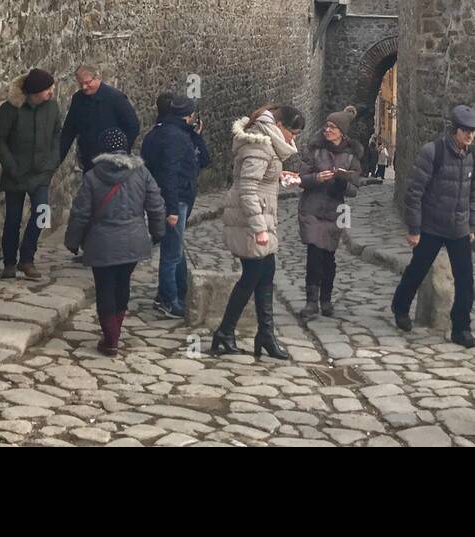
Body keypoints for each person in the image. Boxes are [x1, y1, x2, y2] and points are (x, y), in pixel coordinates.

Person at [210, 104, 304, 360]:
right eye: (293, 132)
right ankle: (225, 332)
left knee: (265, 274)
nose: (293, 138)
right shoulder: (259, 144)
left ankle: (264, 335)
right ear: (280, 126)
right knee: (252, 276)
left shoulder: (266, 143)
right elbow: (247, 190)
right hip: (252, 221)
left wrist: (278, 175)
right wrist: (259, 228)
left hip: (261, 218)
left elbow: (257, 178)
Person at [64, 128, 165, 355]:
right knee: (122, 284)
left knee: (105, 288)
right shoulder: (142, 173)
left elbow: (80, 212)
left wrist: (73, 240)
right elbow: (156, 204)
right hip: (134, 241)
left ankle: (110, 338)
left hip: (102, 243)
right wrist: (158, 232)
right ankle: (114, 332)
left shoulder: (92, 177)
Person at [391, 104, 475, 347]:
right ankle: (400, 307)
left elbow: (474, 192)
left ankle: (461, 328)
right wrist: (414, 229)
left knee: (466, 280)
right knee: (417, 270)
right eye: (465, 131)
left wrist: (471, 224)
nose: (470, 136)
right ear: (455, 130)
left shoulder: (473, 156)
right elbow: (414, 192)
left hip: (459, 228)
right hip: (431, 226)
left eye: (473, 131)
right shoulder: (433, 152)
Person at [141, 92, 210, 319]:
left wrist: (196, 136)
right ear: (187, 116)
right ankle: (167, 299)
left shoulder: (159, 133)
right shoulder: (175, 138)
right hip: (175, 199)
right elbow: (168, 173)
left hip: (171, 198)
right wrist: (171, 208)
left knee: (176, 248)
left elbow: (204, 160)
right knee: (171, 252)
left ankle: (180, 291)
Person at [0, 68, 62, 280]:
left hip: (41, 173)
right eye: (48, 89)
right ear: (36, 92)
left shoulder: (52, 108)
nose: (52, 92)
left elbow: (58, 134)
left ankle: (27, 258)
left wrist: (52, 162)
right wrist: (11, 166)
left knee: (42, 215)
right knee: (13, 219)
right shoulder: (11, 109)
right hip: (16, 173)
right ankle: (9, 263)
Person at [297, 105, 362, 320]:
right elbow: (302, 179)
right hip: (312, 208)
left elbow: (354, 189)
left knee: (329, 257)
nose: (328, 130)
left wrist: (342, 182)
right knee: (314, 253)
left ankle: (326, 299)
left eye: (333, 127)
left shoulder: (351, 158)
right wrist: (317, 178)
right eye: (327, 125)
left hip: (336, 211)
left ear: (342, 132)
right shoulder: (315, 150)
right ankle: (311, 301)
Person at [60, 65, 140, 171]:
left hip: (113, 162)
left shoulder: (116, 98)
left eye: (88, 83)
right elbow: (69, 131)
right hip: (89, 161)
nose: (84, 87)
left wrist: (121, 153)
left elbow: (132, 126)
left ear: (97, 78)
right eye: (80, 84)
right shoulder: (78, 99)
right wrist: (58, 158)